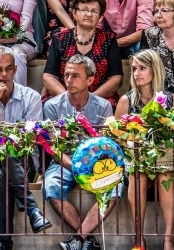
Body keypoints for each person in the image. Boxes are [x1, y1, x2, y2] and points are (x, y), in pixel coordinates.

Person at [0, 46, 52, 250]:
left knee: (1, 173)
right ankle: (32, 210)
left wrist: (3, 141)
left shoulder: (31, 97)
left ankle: (4, 242)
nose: (4, 74)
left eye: (8, 69)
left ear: (16, 69)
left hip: (25, 161)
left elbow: (29, 139)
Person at [44, 54, 116, 250]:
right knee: (51, 186)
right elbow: (52, 147)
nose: (69, 80)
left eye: (75, 76)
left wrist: (89, 166)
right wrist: (73, 165)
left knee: (115, 186)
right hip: (63, 161)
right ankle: (88, 239)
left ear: (90, 80)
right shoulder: (52, 106)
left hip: (96, 163)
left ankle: (78, 238)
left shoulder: (103, 106)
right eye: (66, 75)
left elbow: (105, 145)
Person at [115, 50, 174, 250]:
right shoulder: (127, 100)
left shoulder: (171, 100)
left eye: (142, 68)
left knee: (165, 173)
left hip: (164, 158)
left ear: (155, 70)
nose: (137, 74)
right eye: (134, 69)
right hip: (135, 159)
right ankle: (139, 238)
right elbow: (117, 135)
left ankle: (168, 239)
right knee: (138, 174)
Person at [44, 0, 124, 106]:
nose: (89, 14)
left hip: (99, 99)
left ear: (100, 16)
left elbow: (116, 78)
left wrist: (90, 100)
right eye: (84, 10)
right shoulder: (60, 37)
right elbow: (49, 76)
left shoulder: (109, 39)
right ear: (74, 13)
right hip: (64, 96)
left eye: (94, 11)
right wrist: (68, 99)